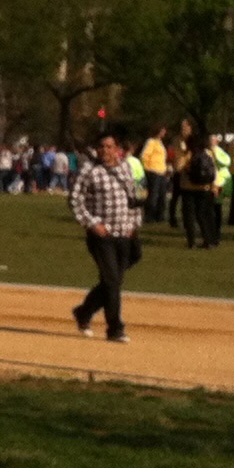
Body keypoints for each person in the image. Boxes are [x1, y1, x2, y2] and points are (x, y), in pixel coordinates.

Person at [70, 132, 140, 343]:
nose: (105, 151)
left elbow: (133, 198)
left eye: (109, 147)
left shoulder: (126, 167)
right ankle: (115, 328)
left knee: (113, 280)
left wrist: (134, 225)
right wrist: (92, 224)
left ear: (117, 148)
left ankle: (84, 311)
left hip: (125, 232)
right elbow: (75, 201)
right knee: (111, 281)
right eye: (101, 147)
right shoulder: (89, 171)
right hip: (103, 235)